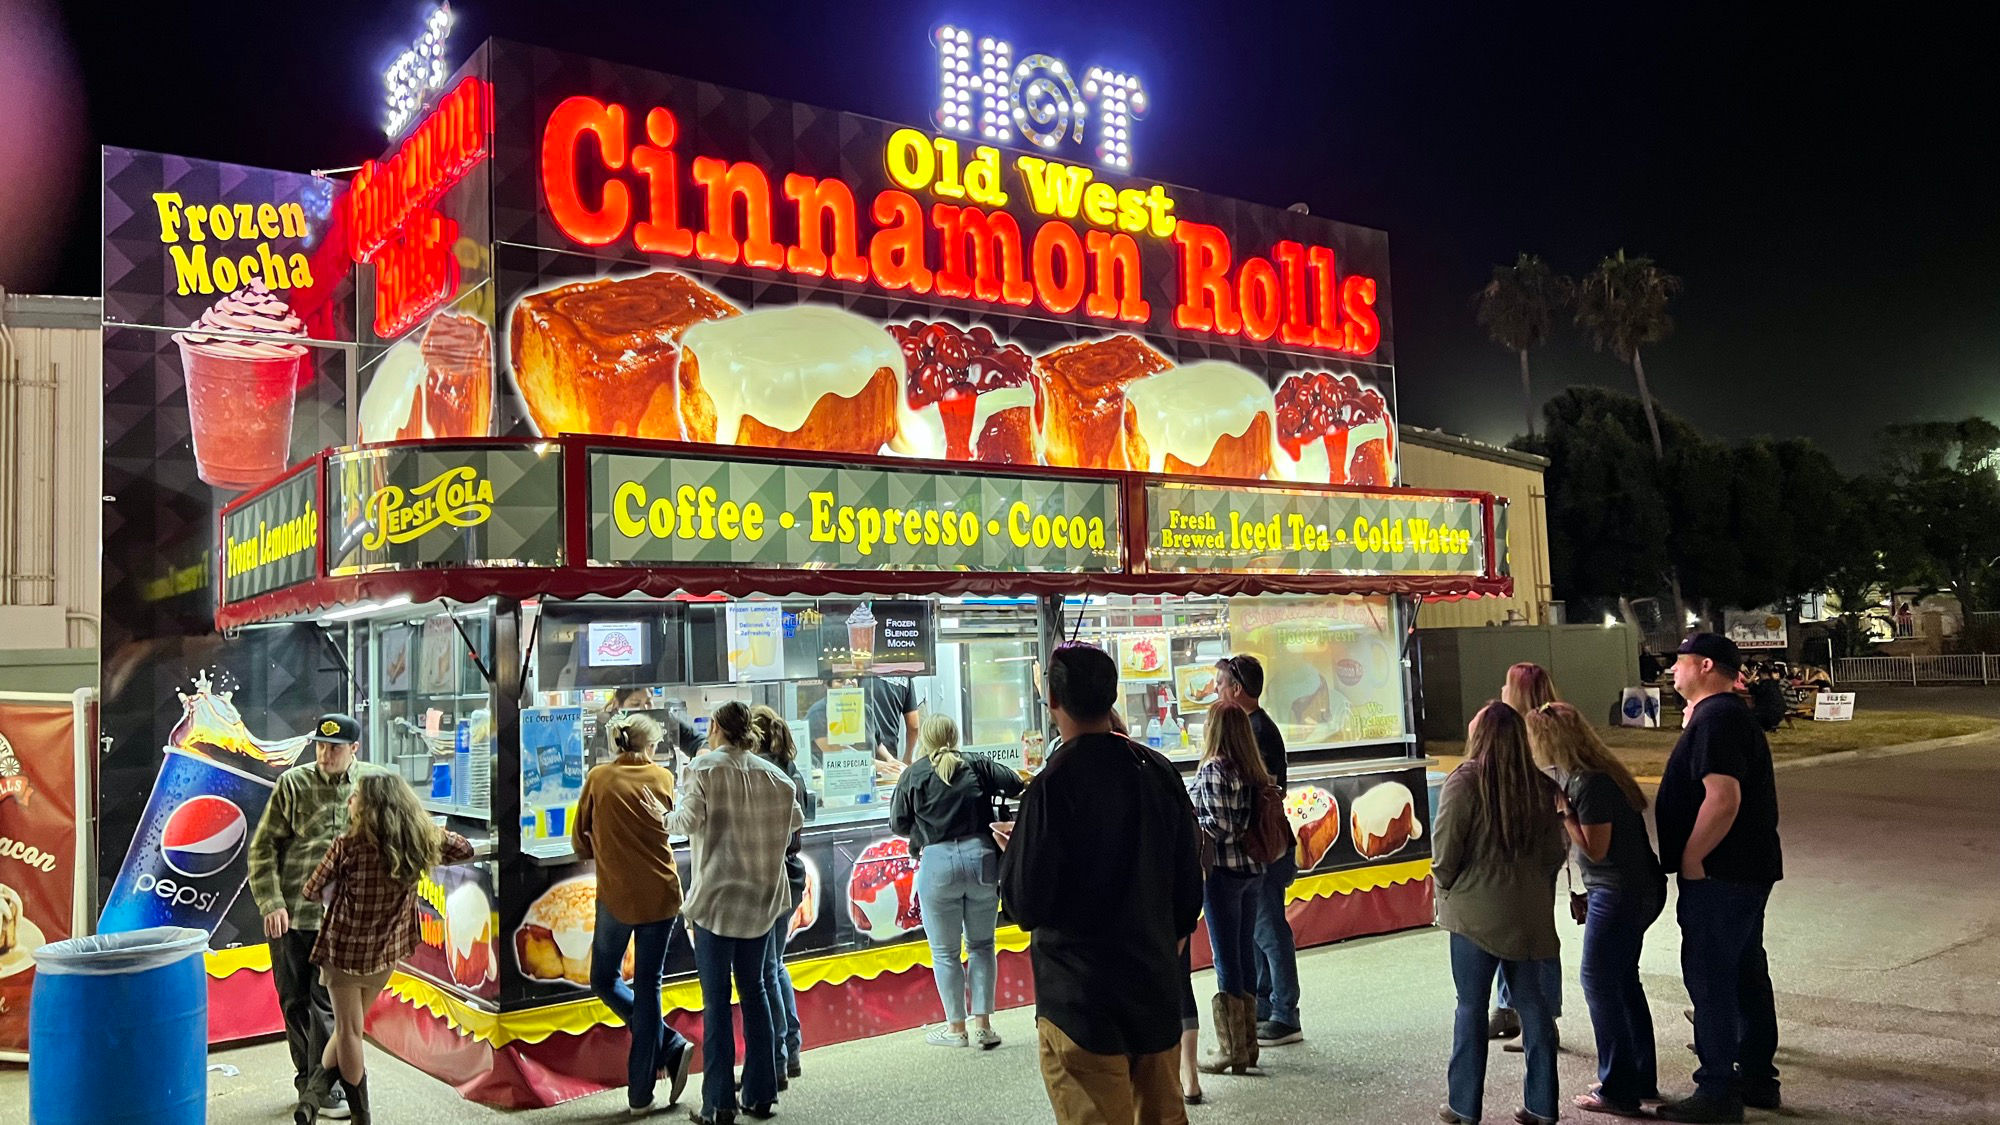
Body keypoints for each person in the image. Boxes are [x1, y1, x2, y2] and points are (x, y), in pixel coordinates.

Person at [998, 643, 1204, 1125]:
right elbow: (1188, 889)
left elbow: (1024, 903)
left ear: (1052, 700)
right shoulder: (1158, 772)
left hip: (1080, 1001)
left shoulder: (1050, 787)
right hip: (1154, 992)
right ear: (1112, 695)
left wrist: (1015, 853)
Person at [1654, 635, 1784, 1123]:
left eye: (1679, 664)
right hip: (1744, 869)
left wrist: (1692, 859)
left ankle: (1717, 1091)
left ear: (1705, 665)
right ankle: (1756, 1078)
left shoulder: (1719, 719)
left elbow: (1723, 798)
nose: (1672, 673)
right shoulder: (1722, 717)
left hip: (1722, 873)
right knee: (1746, 971)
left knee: (1711, 978)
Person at [295, 771, 473, 1124]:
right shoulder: (416, 841)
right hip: (385, 951)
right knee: (352, 1030)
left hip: (343, 952)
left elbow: (311, 890)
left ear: (371, 806)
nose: (349, 801)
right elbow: (464, 849)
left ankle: (361, 1116)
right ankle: (312, 1100)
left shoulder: (346, 846)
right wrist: (427, 833)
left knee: (347, 1032)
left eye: (355, 796)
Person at [661, 701, 803, 1125]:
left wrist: (659, 813)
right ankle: (761, 1095)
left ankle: (719, 1103)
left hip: (717, 903)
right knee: (757, 992)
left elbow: (684, 823)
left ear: (718, 728)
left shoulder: (703, 770)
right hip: (761, 899)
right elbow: (793, 824)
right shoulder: (778, 778)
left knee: (717, 1002)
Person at [1526, 702, 1666, 1116]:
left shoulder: (1590, 785)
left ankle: (1618, 1088)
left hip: (1619, 892)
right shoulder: (1599, 776)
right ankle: (1638, 1075)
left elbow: (1597, 849)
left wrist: (1564, 813)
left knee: (1599, 983)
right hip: (1633, 889)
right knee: (1623, 982)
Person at [1434, 702, 1567, 1125]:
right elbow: (1553, 855)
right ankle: (1543, 1105)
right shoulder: (1542, 787)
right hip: (1529, 917)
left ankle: (1463, 1106)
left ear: (1481, 736)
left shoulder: (1465, 781)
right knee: (1533, 1007)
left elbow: (1445, 852)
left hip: (1475, 917)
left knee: (1470, 1008)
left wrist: (1445, 888)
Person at [249, 713, 370, 1122]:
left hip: (344, 920)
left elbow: (397, 834)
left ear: (355, 749)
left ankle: (325, 1086)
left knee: (327, 1006)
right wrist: (271, 903)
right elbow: (262, 848)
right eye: (320, 745)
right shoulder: (293, 784)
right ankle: (308, 1079)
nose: (325, 753)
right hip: (292, 913)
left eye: (335, 747)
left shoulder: (372, 786)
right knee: (295, 1001)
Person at [573, 712, 695, 1115]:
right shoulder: (663, 778)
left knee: (603, 979)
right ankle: (643, 1089)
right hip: (662, 894)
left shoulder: (598, 778)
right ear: (650, 746)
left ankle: (668, 1049)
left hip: (617, 897)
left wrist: (605, 850)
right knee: (649, 987)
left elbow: (579, 841)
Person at [889, 713, 1025, 1049]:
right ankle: (983, 1026)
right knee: (982, 945)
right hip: (981, 858)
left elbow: (898, 823)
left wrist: (924, 830)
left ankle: (956, 1029)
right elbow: (1016, 784)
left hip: (936, 863)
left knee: (945, 953)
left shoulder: (913, 773)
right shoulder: (977, 763)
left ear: (926, 740)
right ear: (955, 736)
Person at [1215, 654, 1304, 1049]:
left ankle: (1286, 1011)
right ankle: (1267, 1003)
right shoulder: (1254, 727)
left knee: (1269, 930)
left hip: (1265, 847)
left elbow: (1258, 788)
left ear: (1236, 690)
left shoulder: (1257, 731)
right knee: (1257, 930)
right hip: (1262, 847)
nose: (1216, 692)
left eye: (1219, 685)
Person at [1188, 702, 1270, 1076]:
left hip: (1222, 872)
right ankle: (1249, 1045)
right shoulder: (1253, 768)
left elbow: (1219, 828)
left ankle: (1230, 1048)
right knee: (1245, 952)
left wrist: (1193, 816)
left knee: (1226, 959)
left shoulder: (1213, 768)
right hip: (1253, 869)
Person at [1492, 662, 1563, 1046]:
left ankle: (1542, 1017)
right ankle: (1509, 1008)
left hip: (1534, 846)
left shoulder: (1539, 732)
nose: (1501, 690)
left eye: (1507, 685)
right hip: (1519, 843)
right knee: (1508, 927)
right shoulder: (1517, 728)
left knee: (1534, 932)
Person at [748, 705, 809, 1081]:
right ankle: (791, 1048)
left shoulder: (762, 774)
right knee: (775, 965)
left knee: (766, 968)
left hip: (771, 875)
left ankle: (780, 1055)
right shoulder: (791, 769)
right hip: (792, 873)